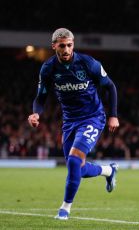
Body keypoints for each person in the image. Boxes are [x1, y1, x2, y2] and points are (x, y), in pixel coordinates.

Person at [27, 28, 120, 220]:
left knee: (75, 160)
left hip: (93, 118)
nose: (66, 49)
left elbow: (110, 86)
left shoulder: (88, 63)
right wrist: (36, 112)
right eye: (62, 46)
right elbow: (41, 96)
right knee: (75, 166)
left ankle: (65, 209)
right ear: (54, 46)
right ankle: (108, 170)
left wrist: (113, 115)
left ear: (73, 45)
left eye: (69, 45)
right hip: (70, 122)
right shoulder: (48, 68)